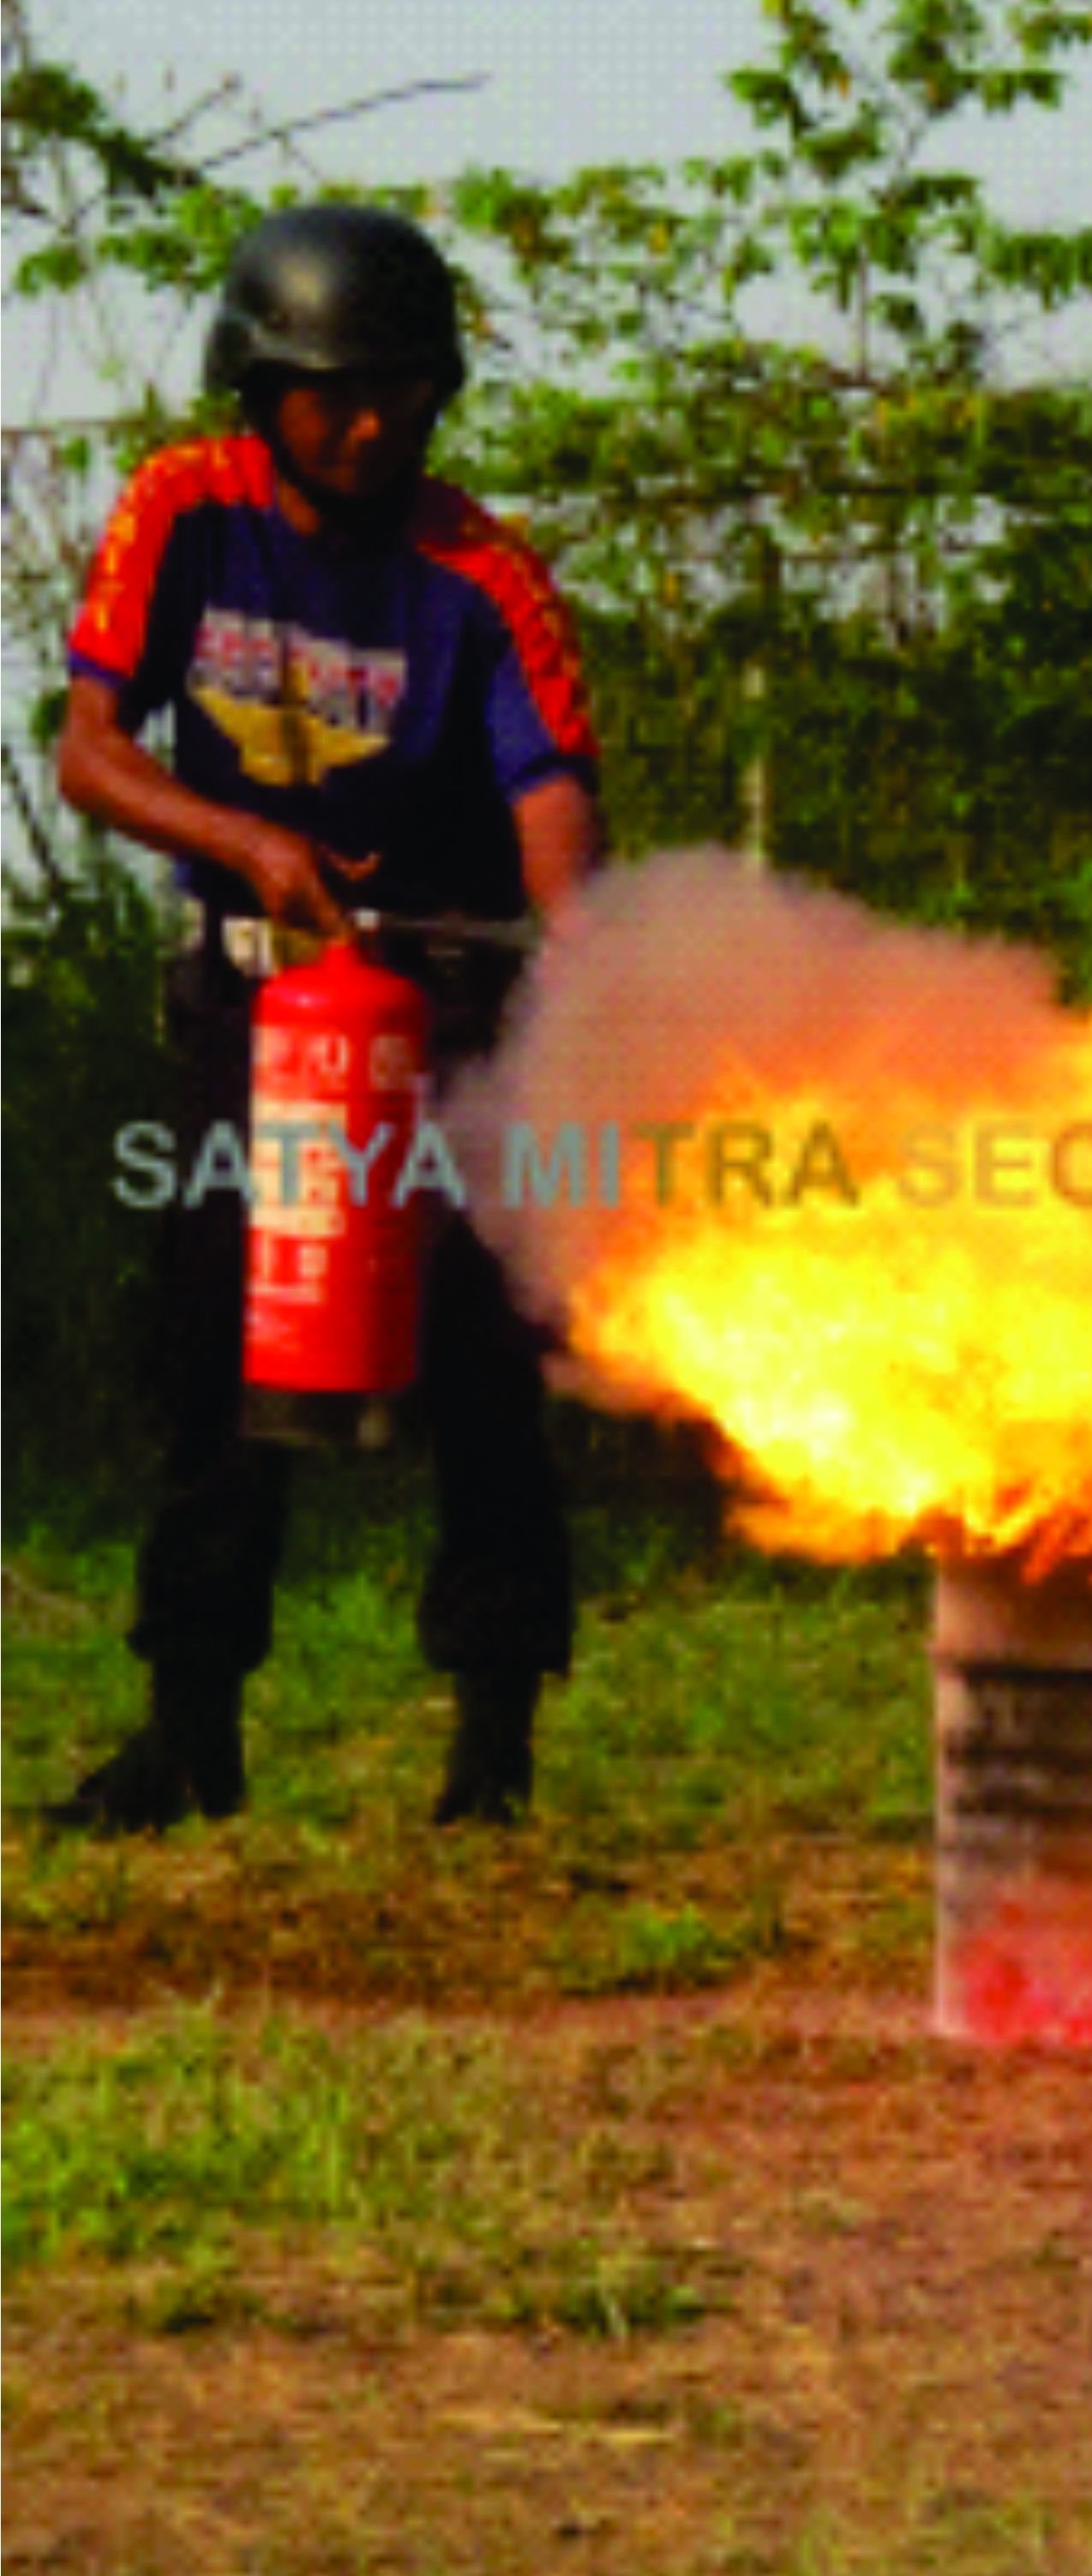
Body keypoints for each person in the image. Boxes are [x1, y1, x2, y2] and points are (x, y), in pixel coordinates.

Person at [48, 201, 603, 1834]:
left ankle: (492, 1753)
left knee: (488, 1363)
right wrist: (250, 844)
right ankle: (188, 1733)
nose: (365, 423)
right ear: (254, 384)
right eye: (328, 392)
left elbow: (554, 802)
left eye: (399, 393)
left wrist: (602, 989)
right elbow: (90, 746)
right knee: (223, 1345)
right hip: (252, 1007)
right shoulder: (186, 511)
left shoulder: (480, 572)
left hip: (444, 1018)